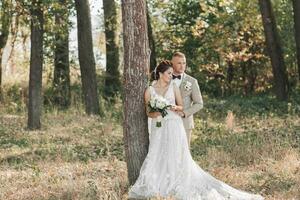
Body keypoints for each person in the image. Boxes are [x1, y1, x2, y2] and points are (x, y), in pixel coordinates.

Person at [128, 60, 264, 200]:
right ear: (161, 74)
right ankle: (157, 184)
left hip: (174, 125)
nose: (171, 76)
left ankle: (175, 183)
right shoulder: (149, 90)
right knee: (157, 152)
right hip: (158, 127)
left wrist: (172, 108)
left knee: (176, 154)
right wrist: (159, 111)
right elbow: (148, 112)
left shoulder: (173, 87)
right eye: (169, 73)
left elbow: (181, 106)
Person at [171, 52, 203, 146]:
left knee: (184, 152)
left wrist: (185, 113)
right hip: (167, 122)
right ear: (172, 64)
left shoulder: (192, 81)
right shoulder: (165, 79)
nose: (182, 66)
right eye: (179, 63)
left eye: (184, 63)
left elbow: (199, 103)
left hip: (185, 123)